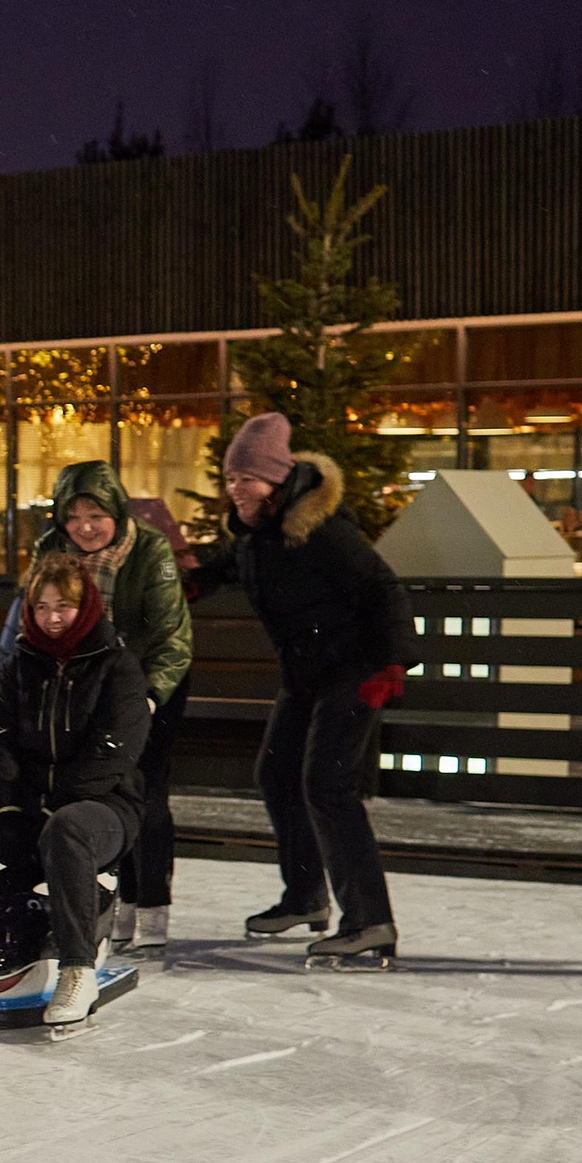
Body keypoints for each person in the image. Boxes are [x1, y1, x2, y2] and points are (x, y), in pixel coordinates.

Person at [194, 413, 421, 966]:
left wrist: (392, 664)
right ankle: (305, 897)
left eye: (246, 479)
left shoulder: (322, 530)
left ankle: (370, 920)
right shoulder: (256, 534)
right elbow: (235, 563)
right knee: (276, 774)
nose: (236, 490)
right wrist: (195, 573)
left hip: (355, 671)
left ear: (275, 480)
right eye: (230, 480)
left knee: (328, 786)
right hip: (305, 675)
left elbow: (382, 587)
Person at [0, 554, 151, 1026]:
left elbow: (115, 751)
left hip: (102, 809)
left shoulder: (117, 665)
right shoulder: (19, 662)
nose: (52, 617)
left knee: (69, 830)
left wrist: (55, 804)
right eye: (42, 606)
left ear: (87, 607)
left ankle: (77, 969)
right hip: (29, 804)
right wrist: (7, 802)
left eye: (64, 607)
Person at [29, 461, 191, 953]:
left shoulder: (148, 549)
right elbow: (33, 616)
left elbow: (172, 635)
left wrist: (147, 695)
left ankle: (152, 906)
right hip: (83, 691)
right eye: (73, 517)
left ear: (115, 512)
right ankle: (113, 902)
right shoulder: (50, 550)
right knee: (95, 793)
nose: (84, 527)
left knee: (146, 795)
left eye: (95, 514)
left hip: (147, 685)